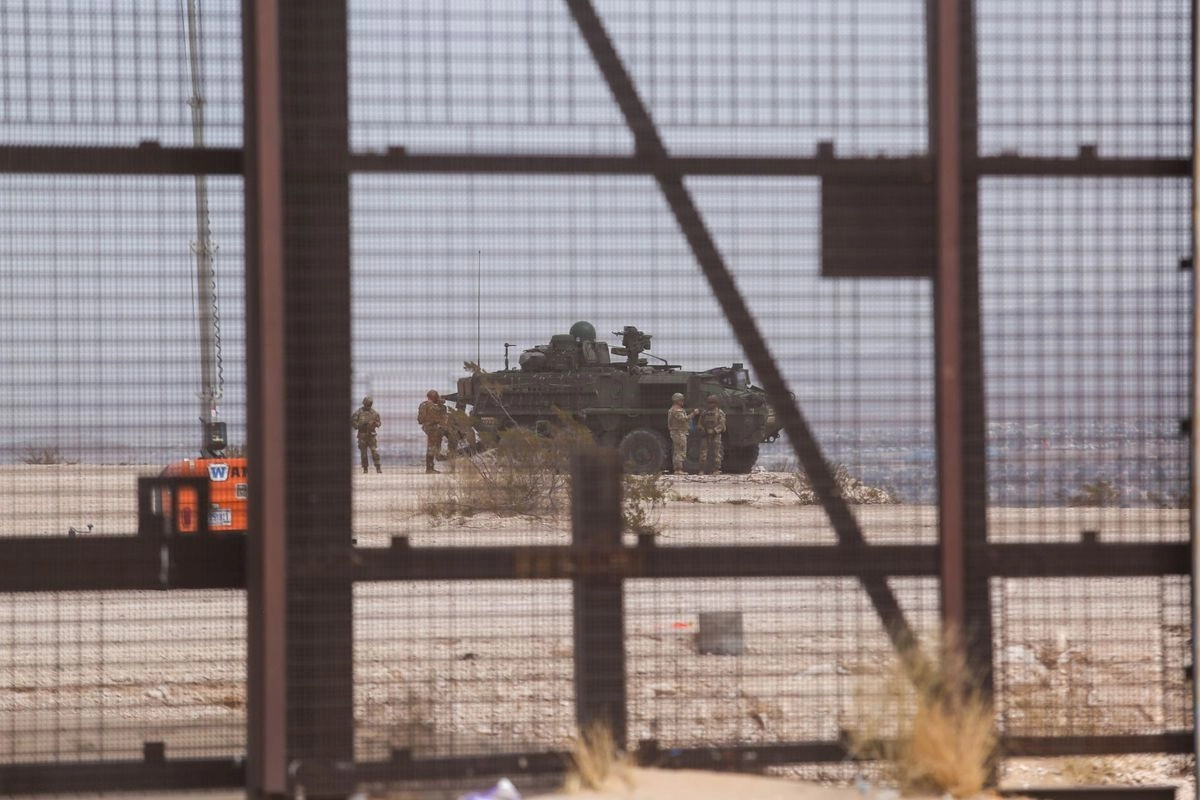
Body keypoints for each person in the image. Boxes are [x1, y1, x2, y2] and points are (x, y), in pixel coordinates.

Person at [417, 389, 450, 474]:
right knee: (432, 447)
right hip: (434, 428)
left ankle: (431, 466)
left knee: (431, 446)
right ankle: (430, 468)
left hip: (426, 427)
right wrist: (441, 404)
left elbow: (420, 419)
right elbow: (442, 417)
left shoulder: (423, 404)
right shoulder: (435, 407)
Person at [351, 396, 382, 474]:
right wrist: (359, 425)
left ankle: (378, 467)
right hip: (362, 436)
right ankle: (365, 468)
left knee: (374, 452)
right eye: (367, 404)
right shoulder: (358, 412)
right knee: (364, 454)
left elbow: (379, 422)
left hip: (371, 436)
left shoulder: (374, 413)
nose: (368, 406)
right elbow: (353, 421)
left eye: (369, 404)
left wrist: (375, 424)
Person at [697, 395, 726, 475]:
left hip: (715, 435)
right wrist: (703, 430)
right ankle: (702, 470)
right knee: (703, 453)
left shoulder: (720, 413)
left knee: (716, 453)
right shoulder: (704, 413)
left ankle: (716, 469)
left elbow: (722, 424)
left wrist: (714, 431)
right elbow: (699, 424)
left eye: (712, 403)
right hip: (705, 435)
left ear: (716, 404)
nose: (710, 405)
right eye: (709, 403)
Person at [666, 392, 691, 473]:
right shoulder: (676, 410)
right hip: (679, 432)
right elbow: (683, 419)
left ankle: (677, 469)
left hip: (676, 432)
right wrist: (693, 414)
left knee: (677, 450)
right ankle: (678, 469)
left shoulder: (672, 409)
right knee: (681, 450)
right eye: (681, 400)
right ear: (677, 401)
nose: (682, 401)